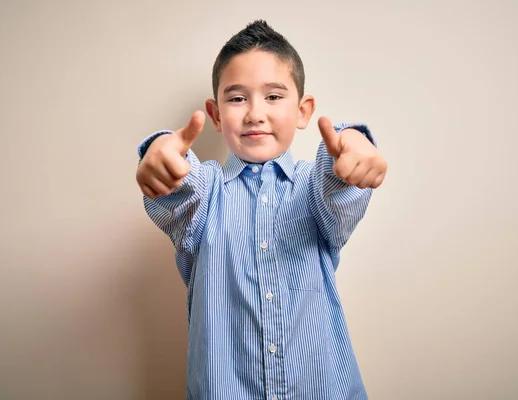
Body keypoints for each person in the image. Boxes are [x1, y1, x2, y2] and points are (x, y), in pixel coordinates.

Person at [135, 19, 387, 400]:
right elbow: (177, 185)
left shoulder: (314, 186)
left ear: (303, 111)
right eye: (237, 98)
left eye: (273, 96)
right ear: (216, 115)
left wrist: (354, 141)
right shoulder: (205, 192)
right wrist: (161, 154)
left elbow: (338, 178)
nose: (254, 113)